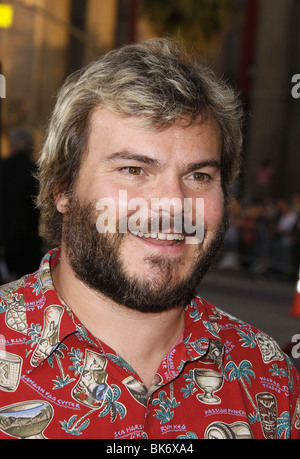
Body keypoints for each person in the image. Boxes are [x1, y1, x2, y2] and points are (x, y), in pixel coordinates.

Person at [0, 38, 299, 440]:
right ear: (63, 188)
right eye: (133, 169)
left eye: (199, 176)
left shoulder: (269, 376)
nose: (173, 204)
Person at [0, 128, 42, 280]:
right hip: (29, 238)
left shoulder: (3, 168)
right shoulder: (36, 171)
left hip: (5, 236)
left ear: (12, 147)